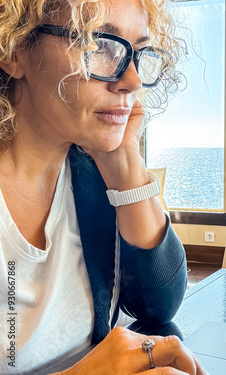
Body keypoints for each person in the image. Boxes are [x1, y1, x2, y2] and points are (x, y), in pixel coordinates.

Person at [0, 0, 207, 373]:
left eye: (139, 54)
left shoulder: (91, 174)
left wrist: (124, 160)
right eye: (99, 45)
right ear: (13, 48)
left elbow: (157, 305)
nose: (132, 81)